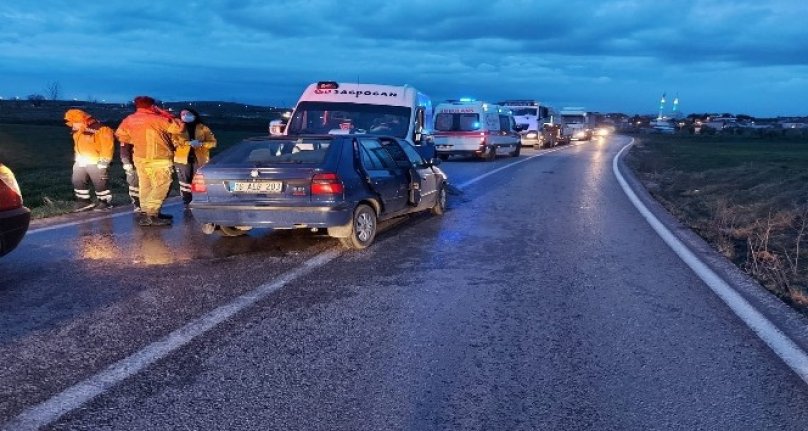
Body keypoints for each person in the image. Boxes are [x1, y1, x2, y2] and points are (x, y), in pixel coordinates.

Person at [115, 96, 184, 227]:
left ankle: (145, 212)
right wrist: (167, 114)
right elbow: (179, 128)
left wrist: (139, 140)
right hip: (159, 158)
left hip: (140, 158)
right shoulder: (158, 119)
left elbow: (121, 135)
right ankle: (152, 214)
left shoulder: (130, 119)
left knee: (145, 185)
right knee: (162, 185)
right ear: (152, 106)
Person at [64, 109, 115, 212]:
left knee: (100, 183)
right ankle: (84, 202)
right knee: (77, 181)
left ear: (82, 120)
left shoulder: (102, 129)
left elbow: (108, 146)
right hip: (81, 161)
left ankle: (105, 203)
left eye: (74, 123)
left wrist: (104, 162)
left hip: (96, 162)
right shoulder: (78, 131)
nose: (72, 125)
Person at [172, 108, 216, 207]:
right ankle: (187, 201)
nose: (185, 116)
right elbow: (174, 141)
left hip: (199, 159)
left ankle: (199, 201)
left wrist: (201, 144)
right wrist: (188, 143)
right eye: (182, 114)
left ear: (194, 115)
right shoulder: (177, 128)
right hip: (182, 159)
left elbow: (213, 143)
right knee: (185, 183)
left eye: (187, 113)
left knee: (198, 181)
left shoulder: (203, 128)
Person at [119, 139, 140, 213]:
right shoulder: (129, 130)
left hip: (148, 161)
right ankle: (137, 204)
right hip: (135, 162)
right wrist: (126, 161)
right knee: (134, 184)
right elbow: (124, 148)